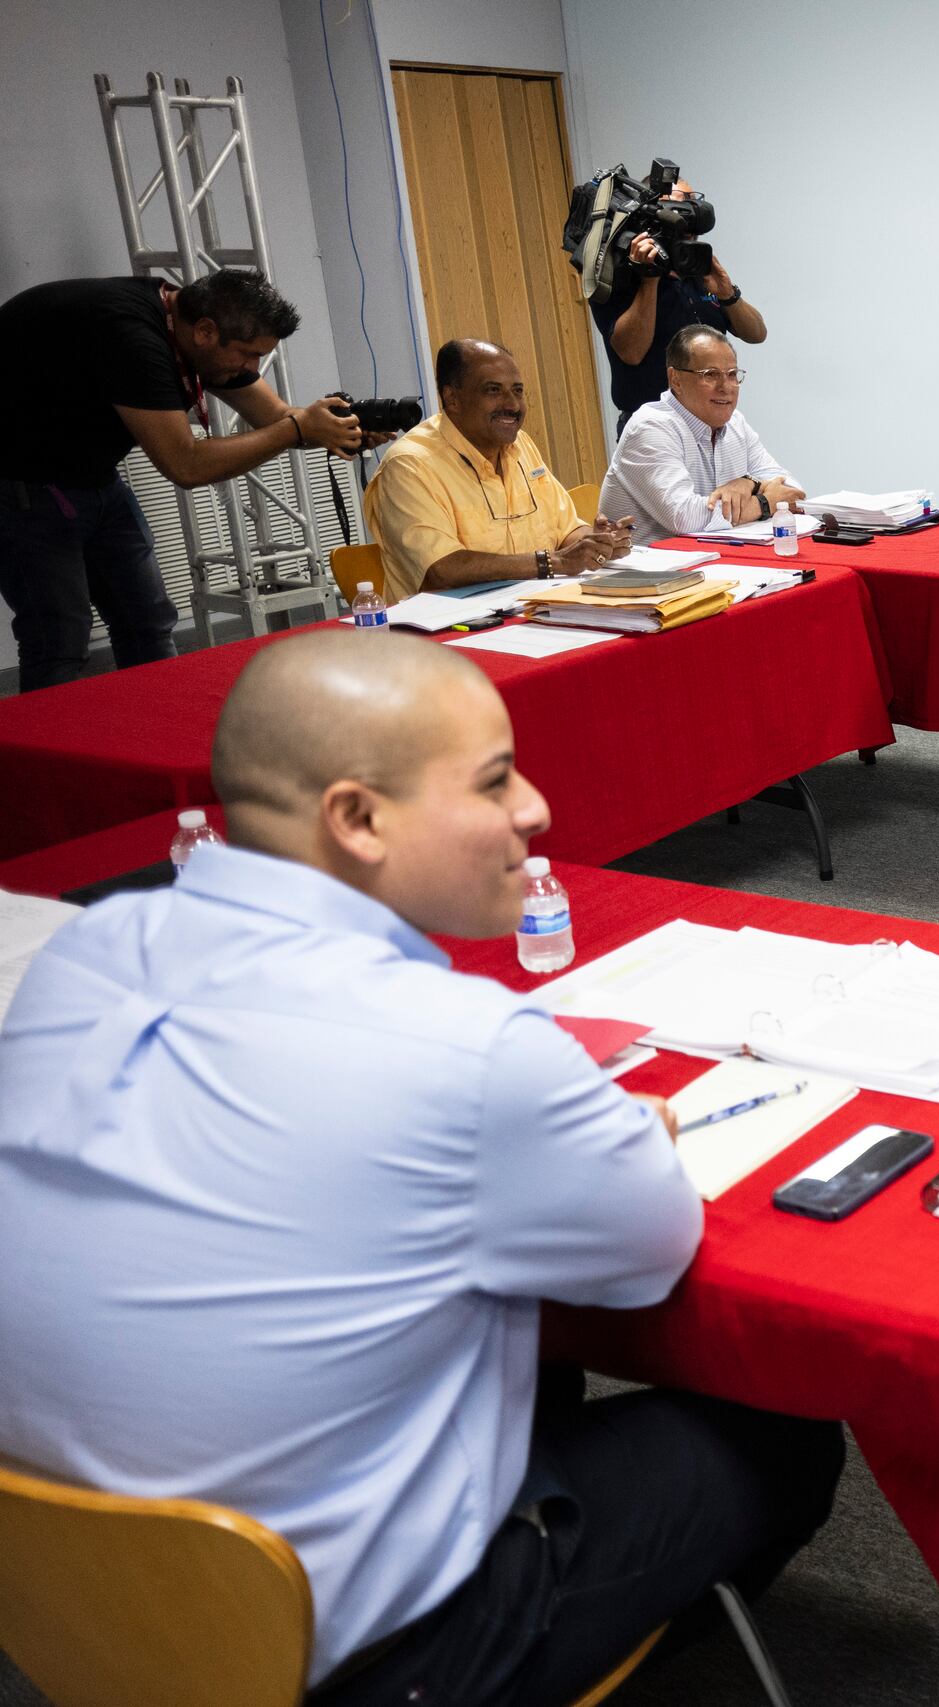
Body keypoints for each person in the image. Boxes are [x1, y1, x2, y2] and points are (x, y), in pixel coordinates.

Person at [0, 627, 843, 1703]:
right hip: (355, 1657)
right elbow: (646, 1251)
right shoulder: (467, 1047)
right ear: (357, 819)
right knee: (783, 1431)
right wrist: (632, 1135)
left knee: (514, 1358)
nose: (534, 808)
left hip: (66, 1598)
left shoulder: (84, 951)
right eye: (495, 781)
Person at [0, 269, 368, 690]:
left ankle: (155, 736)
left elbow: (279, 420)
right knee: (59, 637)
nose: (252, 368)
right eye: (248, 355)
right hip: (21, 484)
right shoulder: (132, 337)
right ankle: (44, 753)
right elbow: (186, 465)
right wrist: (298, 429)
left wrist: (345, 428)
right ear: (205, 332)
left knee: (149, 622)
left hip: (92, 476)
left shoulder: (192, 326)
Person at [364, 339, 631, 600]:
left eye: (517, 391)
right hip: (449, 633)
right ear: (452, 398)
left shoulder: (520, 444)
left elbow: (566, 531)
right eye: (493, 390)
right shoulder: (409, 465)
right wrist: (553, 562)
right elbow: (442, 569)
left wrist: (598, 542)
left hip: (531, 611)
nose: (513, 405)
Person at [598, 325, 805, 546]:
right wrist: (765, 503)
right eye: (711, 375)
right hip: (652, 573)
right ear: (675, 380)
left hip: (718, 563)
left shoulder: (736, 423)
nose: (726, 387)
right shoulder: (651, 427)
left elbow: (792, 490)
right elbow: (683, 516)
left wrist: (748, 483)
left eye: (732, 374)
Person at [593, 178, 767, 435]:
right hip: (654, 428)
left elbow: (757, 333)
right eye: (676, 210)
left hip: (713, 424)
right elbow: (631, 353)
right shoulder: (619, 276)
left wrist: (728, 293)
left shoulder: (699, 269)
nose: (686, 220)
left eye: (691, 206)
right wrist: (649, 280)